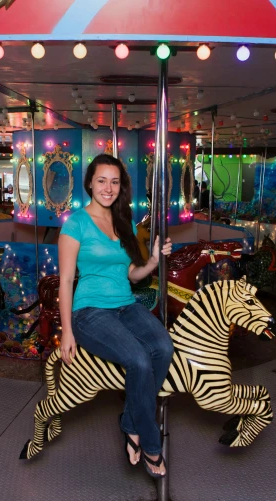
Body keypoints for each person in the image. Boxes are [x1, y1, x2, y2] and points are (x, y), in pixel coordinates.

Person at [58, 154, 173, 478]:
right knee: (138, 359)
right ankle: (151, 445)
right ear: (90, 184)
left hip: (126, 304)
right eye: (102, 180)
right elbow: (66, 281)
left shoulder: (125, 222)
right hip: (90, 311)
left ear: (121, 186)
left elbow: (132, 274)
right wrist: (67, 330)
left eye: (115, 181)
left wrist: (152, 262)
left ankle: (130, 422)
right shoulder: (76, 223)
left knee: (163, 347)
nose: (108, 188)